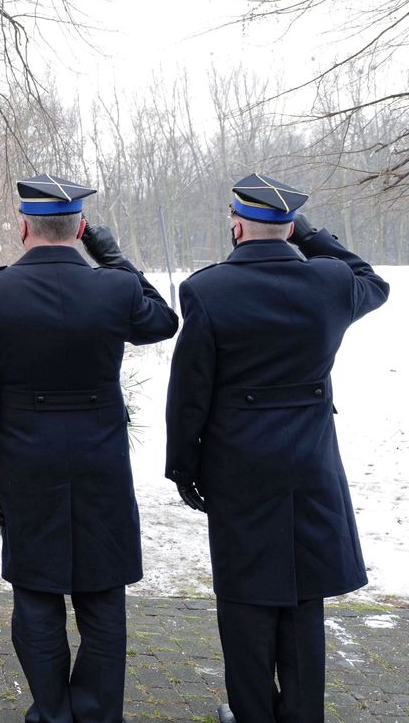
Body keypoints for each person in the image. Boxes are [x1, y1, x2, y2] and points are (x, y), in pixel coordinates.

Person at [165, 174, 389, 723]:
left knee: (245, 599)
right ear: (290, 226)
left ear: (236, 225)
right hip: (309, 460)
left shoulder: (206, 289)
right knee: (303, 596)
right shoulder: (331, 282)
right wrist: (311, 238)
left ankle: (252, 711)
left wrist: (183, 466)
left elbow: (189, 391)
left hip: (238, 463)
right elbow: (371, 280)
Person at [0, 174, 178, 723]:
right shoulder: (115, 288)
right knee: (102, 592)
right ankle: (96, 712)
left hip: (24, 460)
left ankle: (52, 712)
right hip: (99, 458)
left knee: (37, 591)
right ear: (81, 227)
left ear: (23, 223)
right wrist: (117, 260)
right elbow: (163, 322)